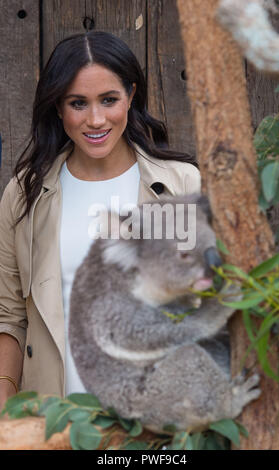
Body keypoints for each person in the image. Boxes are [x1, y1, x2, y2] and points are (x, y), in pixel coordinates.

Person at [0, 31, 200, 409]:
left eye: (109, 100)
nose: (95, 119)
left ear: (131, 96)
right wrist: (4, 401)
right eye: (78, 103)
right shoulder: (24, 194)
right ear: (58, 108)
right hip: (50, 420)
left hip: (154, 423)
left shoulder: (181, 186)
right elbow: (8, 315)